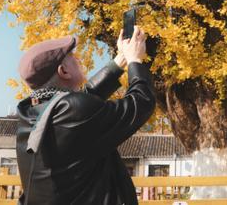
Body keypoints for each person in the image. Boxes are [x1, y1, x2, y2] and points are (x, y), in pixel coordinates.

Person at [15, 26, 155, 204]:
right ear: (63, 71)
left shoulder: (31, 113)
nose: (78, 58)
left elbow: (82, 100)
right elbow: (141, 103)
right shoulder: (75, 110)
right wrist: (135, 59)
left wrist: (120, 60)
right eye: (72, 57)